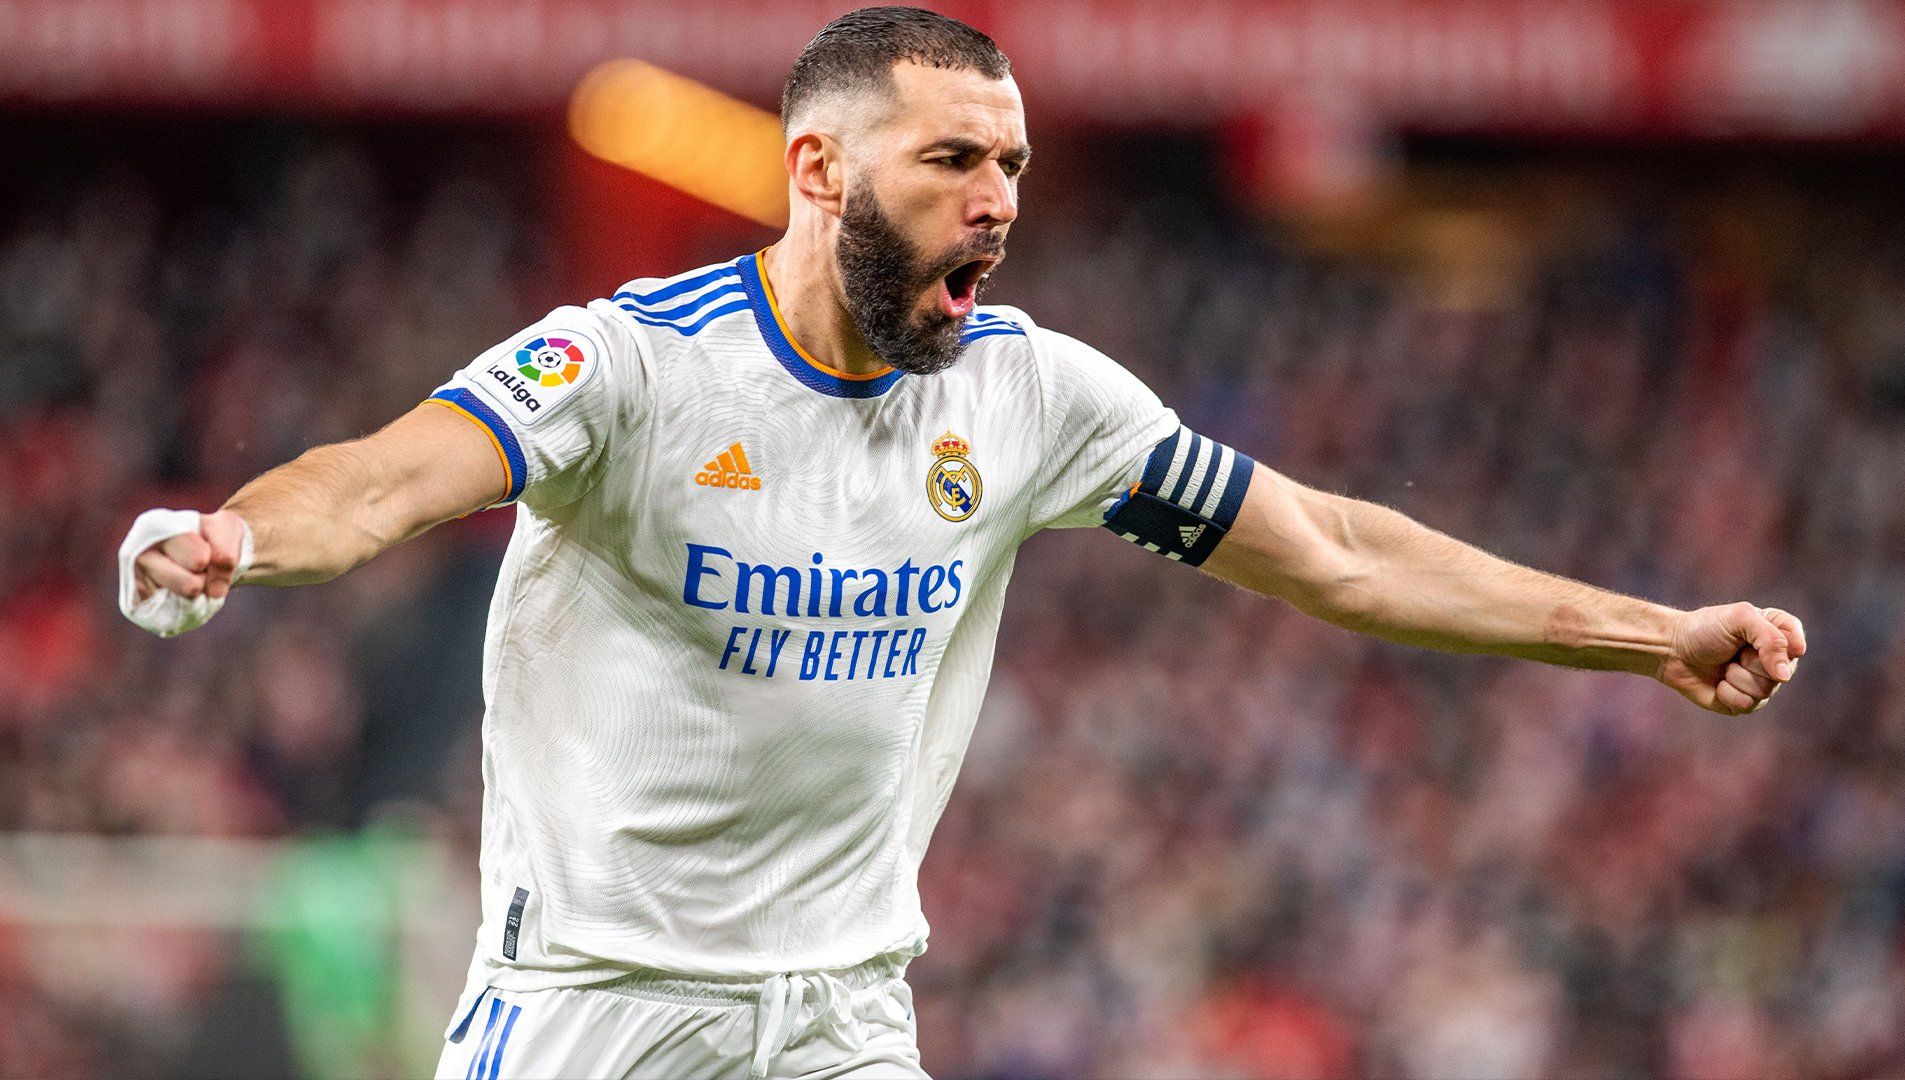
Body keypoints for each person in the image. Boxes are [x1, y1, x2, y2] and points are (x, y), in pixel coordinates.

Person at [117, 7, 1808, 1078]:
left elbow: (1339, 553)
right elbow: (385, 478)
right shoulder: (627, 366)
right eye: (949, 161)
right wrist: (233, 540)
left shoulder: (1031, 396)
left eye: (1011, 162)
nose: (996, 198)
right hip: (597, 1011)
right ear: (818, 172)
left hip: (846, 1018)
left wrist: (1651, 634)